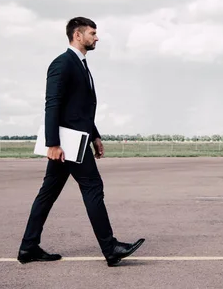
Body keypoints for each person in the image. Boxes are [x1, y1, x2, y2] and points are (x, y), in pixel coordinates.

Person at [17, 16, 144, 267]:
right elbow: (52, 104)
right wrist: (52, 144)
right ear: (78, 35)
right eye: (92, 33)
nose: (96, 38)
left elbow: (81, 108)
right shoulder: (62, 63)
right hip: (67, 142)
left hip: (76, 139)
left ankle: (28, 247)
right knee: (92, 187)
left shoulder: (80, 65)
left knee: (48, 193)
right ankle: (110, 247)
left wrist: (94, 135)